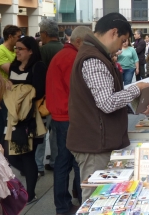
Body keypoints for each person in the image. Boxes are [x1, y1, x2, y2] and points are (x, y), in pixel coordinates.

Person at [66, 12, 149, 202]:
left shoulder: (95, 54)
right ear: (114, 32)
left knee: (102, 196)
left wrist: (138, 106)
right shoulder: (93, 59)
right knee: (95, 200)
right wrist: (136, 89)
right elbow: (107, 102)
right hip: (94, 144)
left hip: (98, 141)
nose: (121, 47)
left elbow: (107, 97)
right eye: (123, 40)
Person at [46, 26, 92, 215]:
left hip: (60, 114)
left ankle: (65, 203)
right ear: (79, 41)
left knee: (64, 161)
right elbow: (78, 91)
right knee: (71, 161)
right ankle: (68, 205)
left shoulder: (62, 55)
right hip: (68, 115)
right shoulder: (72, 58)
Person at [4, 36, 47, 205]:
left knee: (28, 155)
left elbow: (38, 90)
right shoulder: (14, 66)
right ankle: (31, 175)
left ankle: (30, 192)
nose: (17, 51)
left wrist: (16, 91)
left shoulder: (38, 67)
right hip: (14, 117)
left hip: (31, 118)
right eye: (16, 48)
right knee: (10, 155)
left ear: (30, 50)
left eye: (20, 48)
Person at [37, 19, 62, 173]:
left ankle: (38, 165)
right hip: (61, 97)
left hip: (45, 98)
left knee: (41, 130)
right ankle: (54, 160)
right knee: (56, 132)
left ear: (45, 33)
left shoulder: (43, 51)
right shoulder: (64, 49)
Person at [0, 25, 21, 145]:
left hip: (16, 93)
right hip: (5, 95)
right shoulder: (0, 51)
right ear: (10, 37)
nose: (20, 39)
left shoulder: (16, 50)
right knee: (4, 125)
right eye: (18, 36)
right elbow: (11, 71)